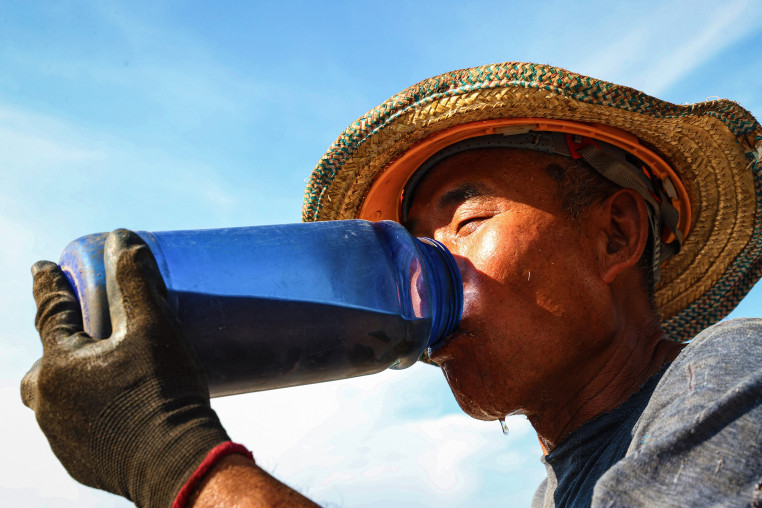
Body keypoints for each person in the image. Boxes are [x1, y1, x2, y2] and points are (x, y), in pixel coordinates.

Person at [21, 62, 762, 507]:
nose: (426, 271)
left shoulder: (732, 380)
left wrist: (178, 462)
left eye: (467, 218)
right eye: (413, 244)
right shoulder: (561, 487)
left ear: (616, 234)